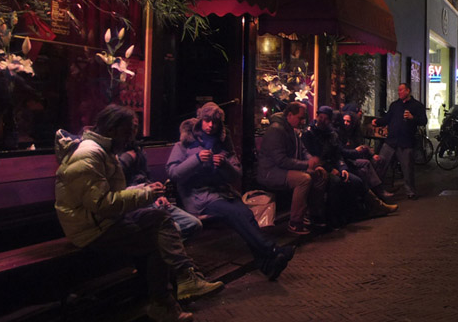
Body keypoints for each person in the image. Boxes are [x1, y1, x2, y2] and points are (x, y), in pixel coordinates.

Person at [54, 104, 222, 322]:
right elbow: (102, 203)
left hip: (106, 219)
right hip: (91, 229)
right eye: (127, 132)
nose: (130, 139)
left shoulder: (103, 150)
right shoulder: (89, 155)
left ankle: (182, 281)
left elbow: (109, 196)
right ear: (112, 129)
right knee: (157, 240)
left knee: (160, 218)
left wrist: (145, 189)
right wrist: (145, 194)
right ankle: (166, 301)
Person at [166, 102, 295, 280]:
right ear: (200, 120)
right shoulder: (185, 143)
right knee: (236, 212)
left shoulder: (223, 143)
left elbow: (237, 173)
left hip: (222, 194)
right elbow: (173, 173)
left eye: (215, 122)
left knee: (246, 214)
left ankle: (267, 264)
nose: (211, 125)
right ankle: (271, 250)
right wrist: (196, 159)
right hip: (199, 197)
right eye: (207, 120)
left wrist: (224, 165)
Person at [303, 106, 397, 226]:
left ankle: (372, 206)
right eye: (320, 117)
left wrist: (343, 168)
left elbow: (337, 154)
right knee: (338, 181)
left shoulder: (332, 134)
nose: (322, 120)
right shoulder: (310, 133)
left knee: (357, 179)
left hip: (336, 165)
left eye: (326, 119)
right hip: (322, 167)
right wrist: (332, 168)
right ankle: (334, 218)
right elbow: (315, 157)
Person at [257, 101, 325, 234]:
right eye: (300, 118)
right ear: (289, 115)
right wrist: (307, 164)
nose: (302, 121)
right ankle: (295, 222)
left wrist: (312, 161)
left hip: (284, 169)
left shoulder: (291, 129)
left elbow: (303, 150)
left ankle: (312, 215)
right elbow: (280, 160)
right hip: (271, 171)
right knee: (303, 179)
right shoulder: (276, 130)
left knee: (319, 175)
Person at [118, 142, 203, 240]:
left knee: (194, 224)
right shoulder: (113, 156)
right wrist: (127, 159)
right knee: (174, 229)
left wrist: (159, 196)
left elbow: (147, 178)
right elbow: (118, 191)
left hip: (152, 200)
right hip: (134, 204)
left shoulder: (138, 150)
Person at [372, 83, 427, 200]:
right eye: (398, 90)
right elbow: (388, 118)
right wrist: (377, 122)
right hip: (391, 140)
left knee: (407, 168)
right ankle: (377, 190)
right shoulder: (395, 105)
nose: (399, 92)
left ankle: (410, 191)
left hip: (406, 141)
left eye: (401, 90)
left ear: (408, 91)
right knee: (381, 163)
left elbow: (423, 121)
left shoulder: (417, 106)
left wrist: (412, 118)